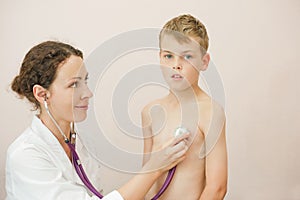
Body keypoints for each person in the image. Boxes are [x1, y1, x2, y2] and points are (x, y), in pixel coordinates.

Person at [5, 41, 190, 200]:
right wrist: (154, 168)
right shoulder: (25, 155)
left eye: (85, 81)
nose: (87, 93)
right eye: (74, 84)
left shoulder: (81, 143)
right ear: (42, 94)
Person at [142, 14, 227, 199]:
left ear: (204, 62)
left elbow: (217, 187)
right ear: (160, 58)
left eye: (187, 56)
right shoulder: (150, 112)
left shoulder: (210, 112)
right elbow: (145, 178)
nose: (176, 65)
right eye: (168, 56)